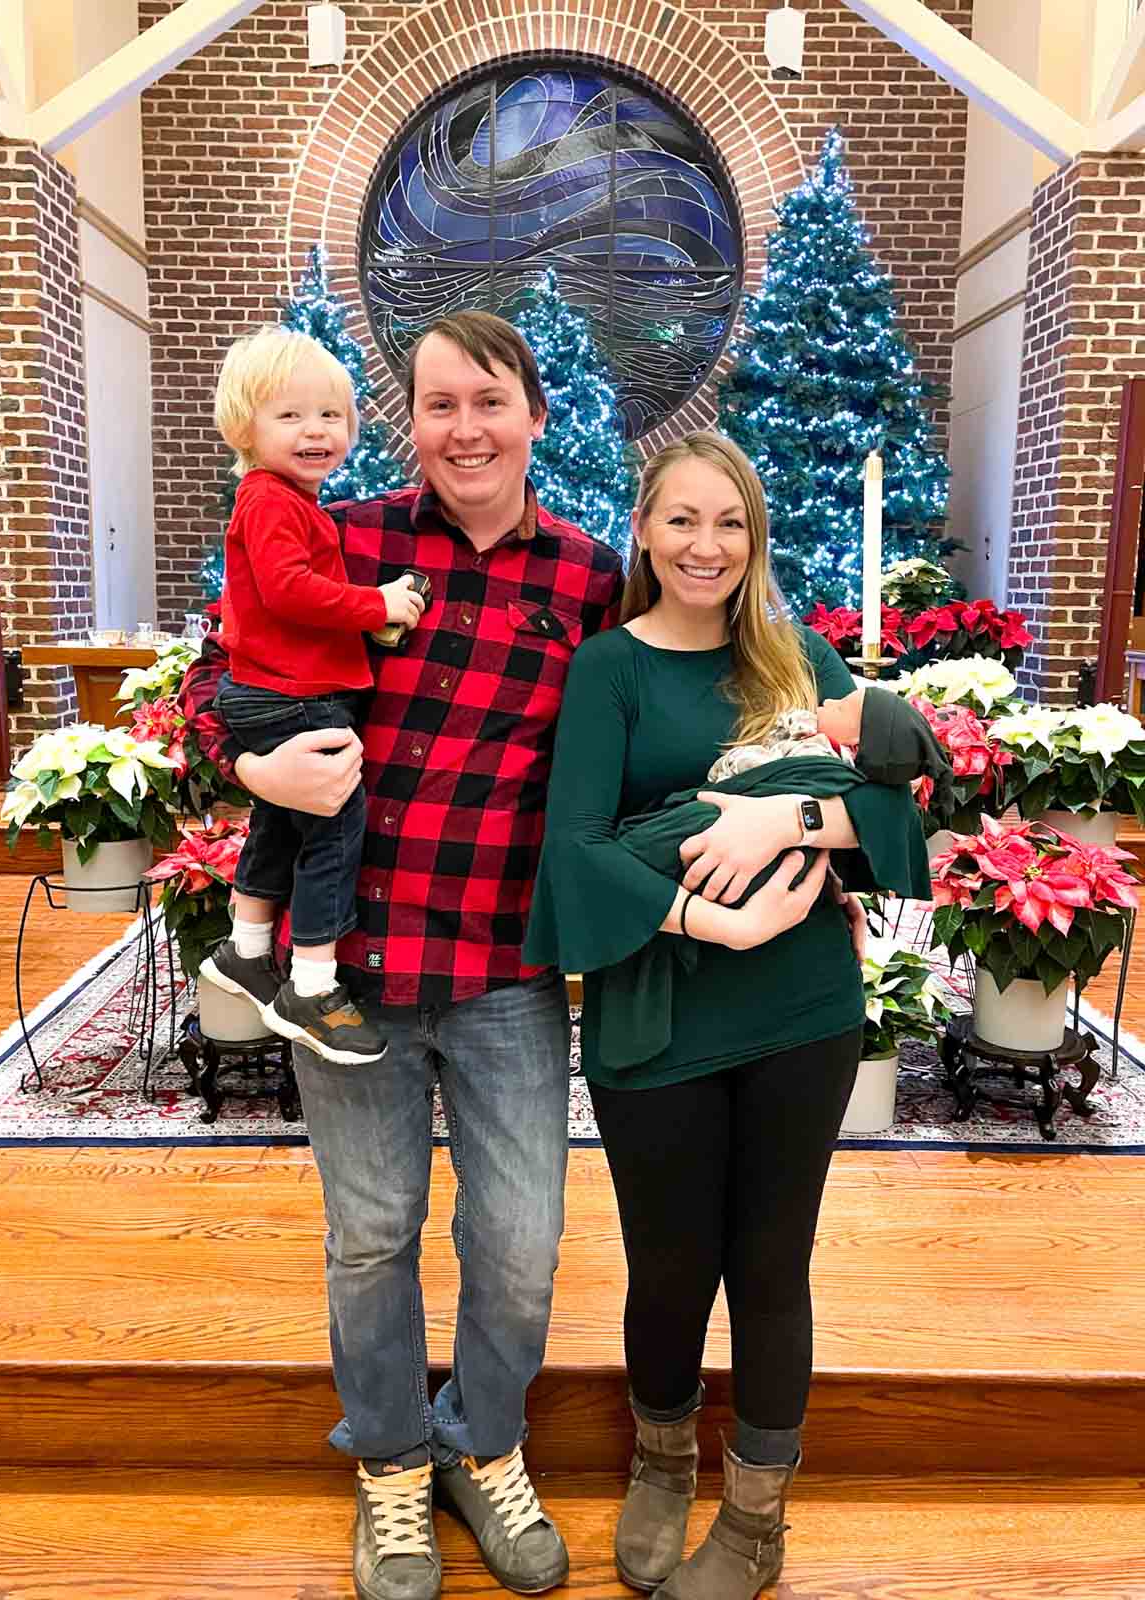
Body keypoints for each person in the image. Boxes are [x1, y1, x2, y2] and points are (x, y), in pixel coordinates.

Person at [180, 311, 628, 1600]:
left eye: (488, 401)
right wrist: (250, 759)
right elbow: (218, 678)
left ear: (536, 414)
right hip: (352, 976)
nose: (464, 429)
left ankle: (482, 1440)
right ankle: (387, 1459)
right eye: (437, 404)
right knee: (371, 1233)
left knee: (524, 1239)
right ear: (410, 420)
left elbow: (668, 701)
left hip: (502, 966)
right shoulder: (339, 536)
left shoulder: (590, 578)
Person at [524, 431, 932, 1600]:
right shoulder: (609, 667)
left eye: (731, 523)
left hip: (800, 1007)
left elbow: (904, 809)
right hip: (660, 1004)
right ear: (644, 530)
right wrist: (719, 922)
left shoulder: (791, 656)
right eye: (684, 520)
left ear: (755, 539)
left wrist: (787, 826)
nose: (707, 545)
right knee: (668, 1266)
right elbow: (576, 851)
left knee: (769, 1263)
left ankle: (756, 1524)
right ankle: (661, 1464)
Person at [198, 325, 426, 1065]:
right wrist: (378, 604)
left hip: (277, 691)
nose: (314, 430)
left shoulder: (294, 502)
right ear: (245, 427)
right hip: (292, 698)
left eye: (330, 415)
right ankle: (314, 983)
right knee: (334, 828)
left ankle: (247, 947)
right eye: (289, 415)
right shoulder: (270, 503)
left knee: (281, 823)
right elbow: (290, 592)